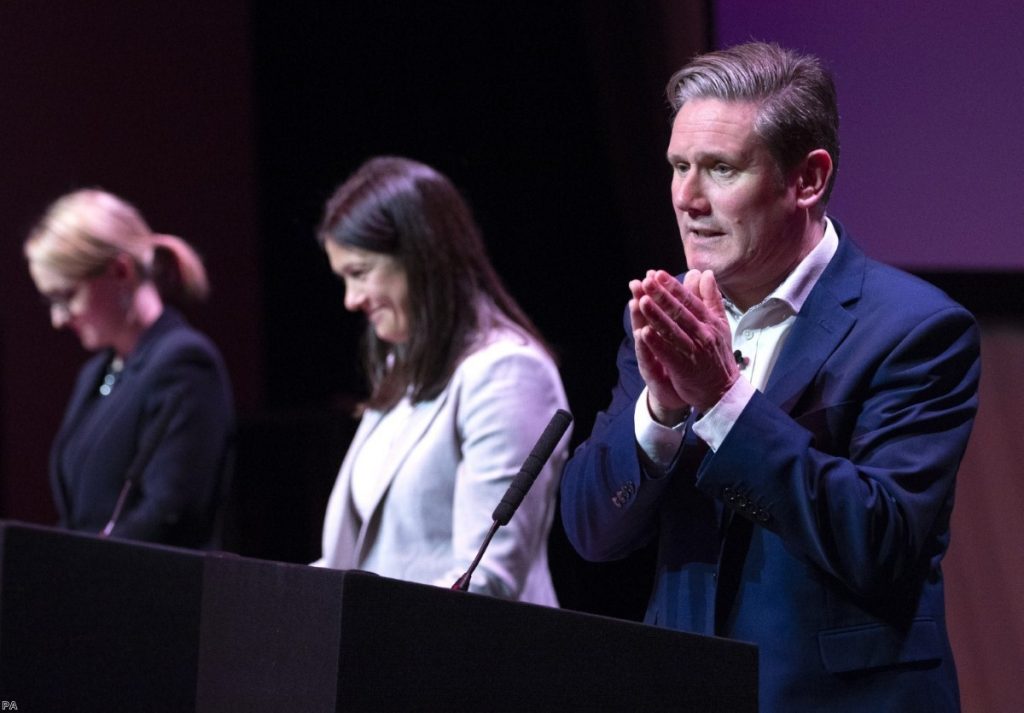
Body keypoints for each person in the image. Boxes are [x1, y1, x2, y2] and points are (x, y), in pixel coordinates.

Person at [559, 42, 979, 711]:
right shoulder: (666, 310)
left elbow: (881, 541)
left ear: (806, 180)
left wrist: (724, 401)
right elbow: (591, 530)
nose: (687, 198)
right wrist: (662, 412)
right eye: (678, 166)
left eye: (720, 169)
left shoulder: (917, 329)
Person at [312, 156, 569, 605]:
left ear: (420, 257)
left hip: (470, 666)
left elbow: (483, 581)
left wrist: (361, 625)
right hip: (384, 656)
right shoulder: (405, 367)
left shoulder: (505, 373)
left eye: (360, 273)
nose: (350, 300)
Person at [25, 189, 234, 549]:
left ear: (120, 271)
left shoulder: (184, 363)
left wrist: (76, 568)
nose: (58, 319)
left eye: (67, 296)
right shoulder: (95, 374)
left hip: (153, 596)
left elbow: (169, 513)